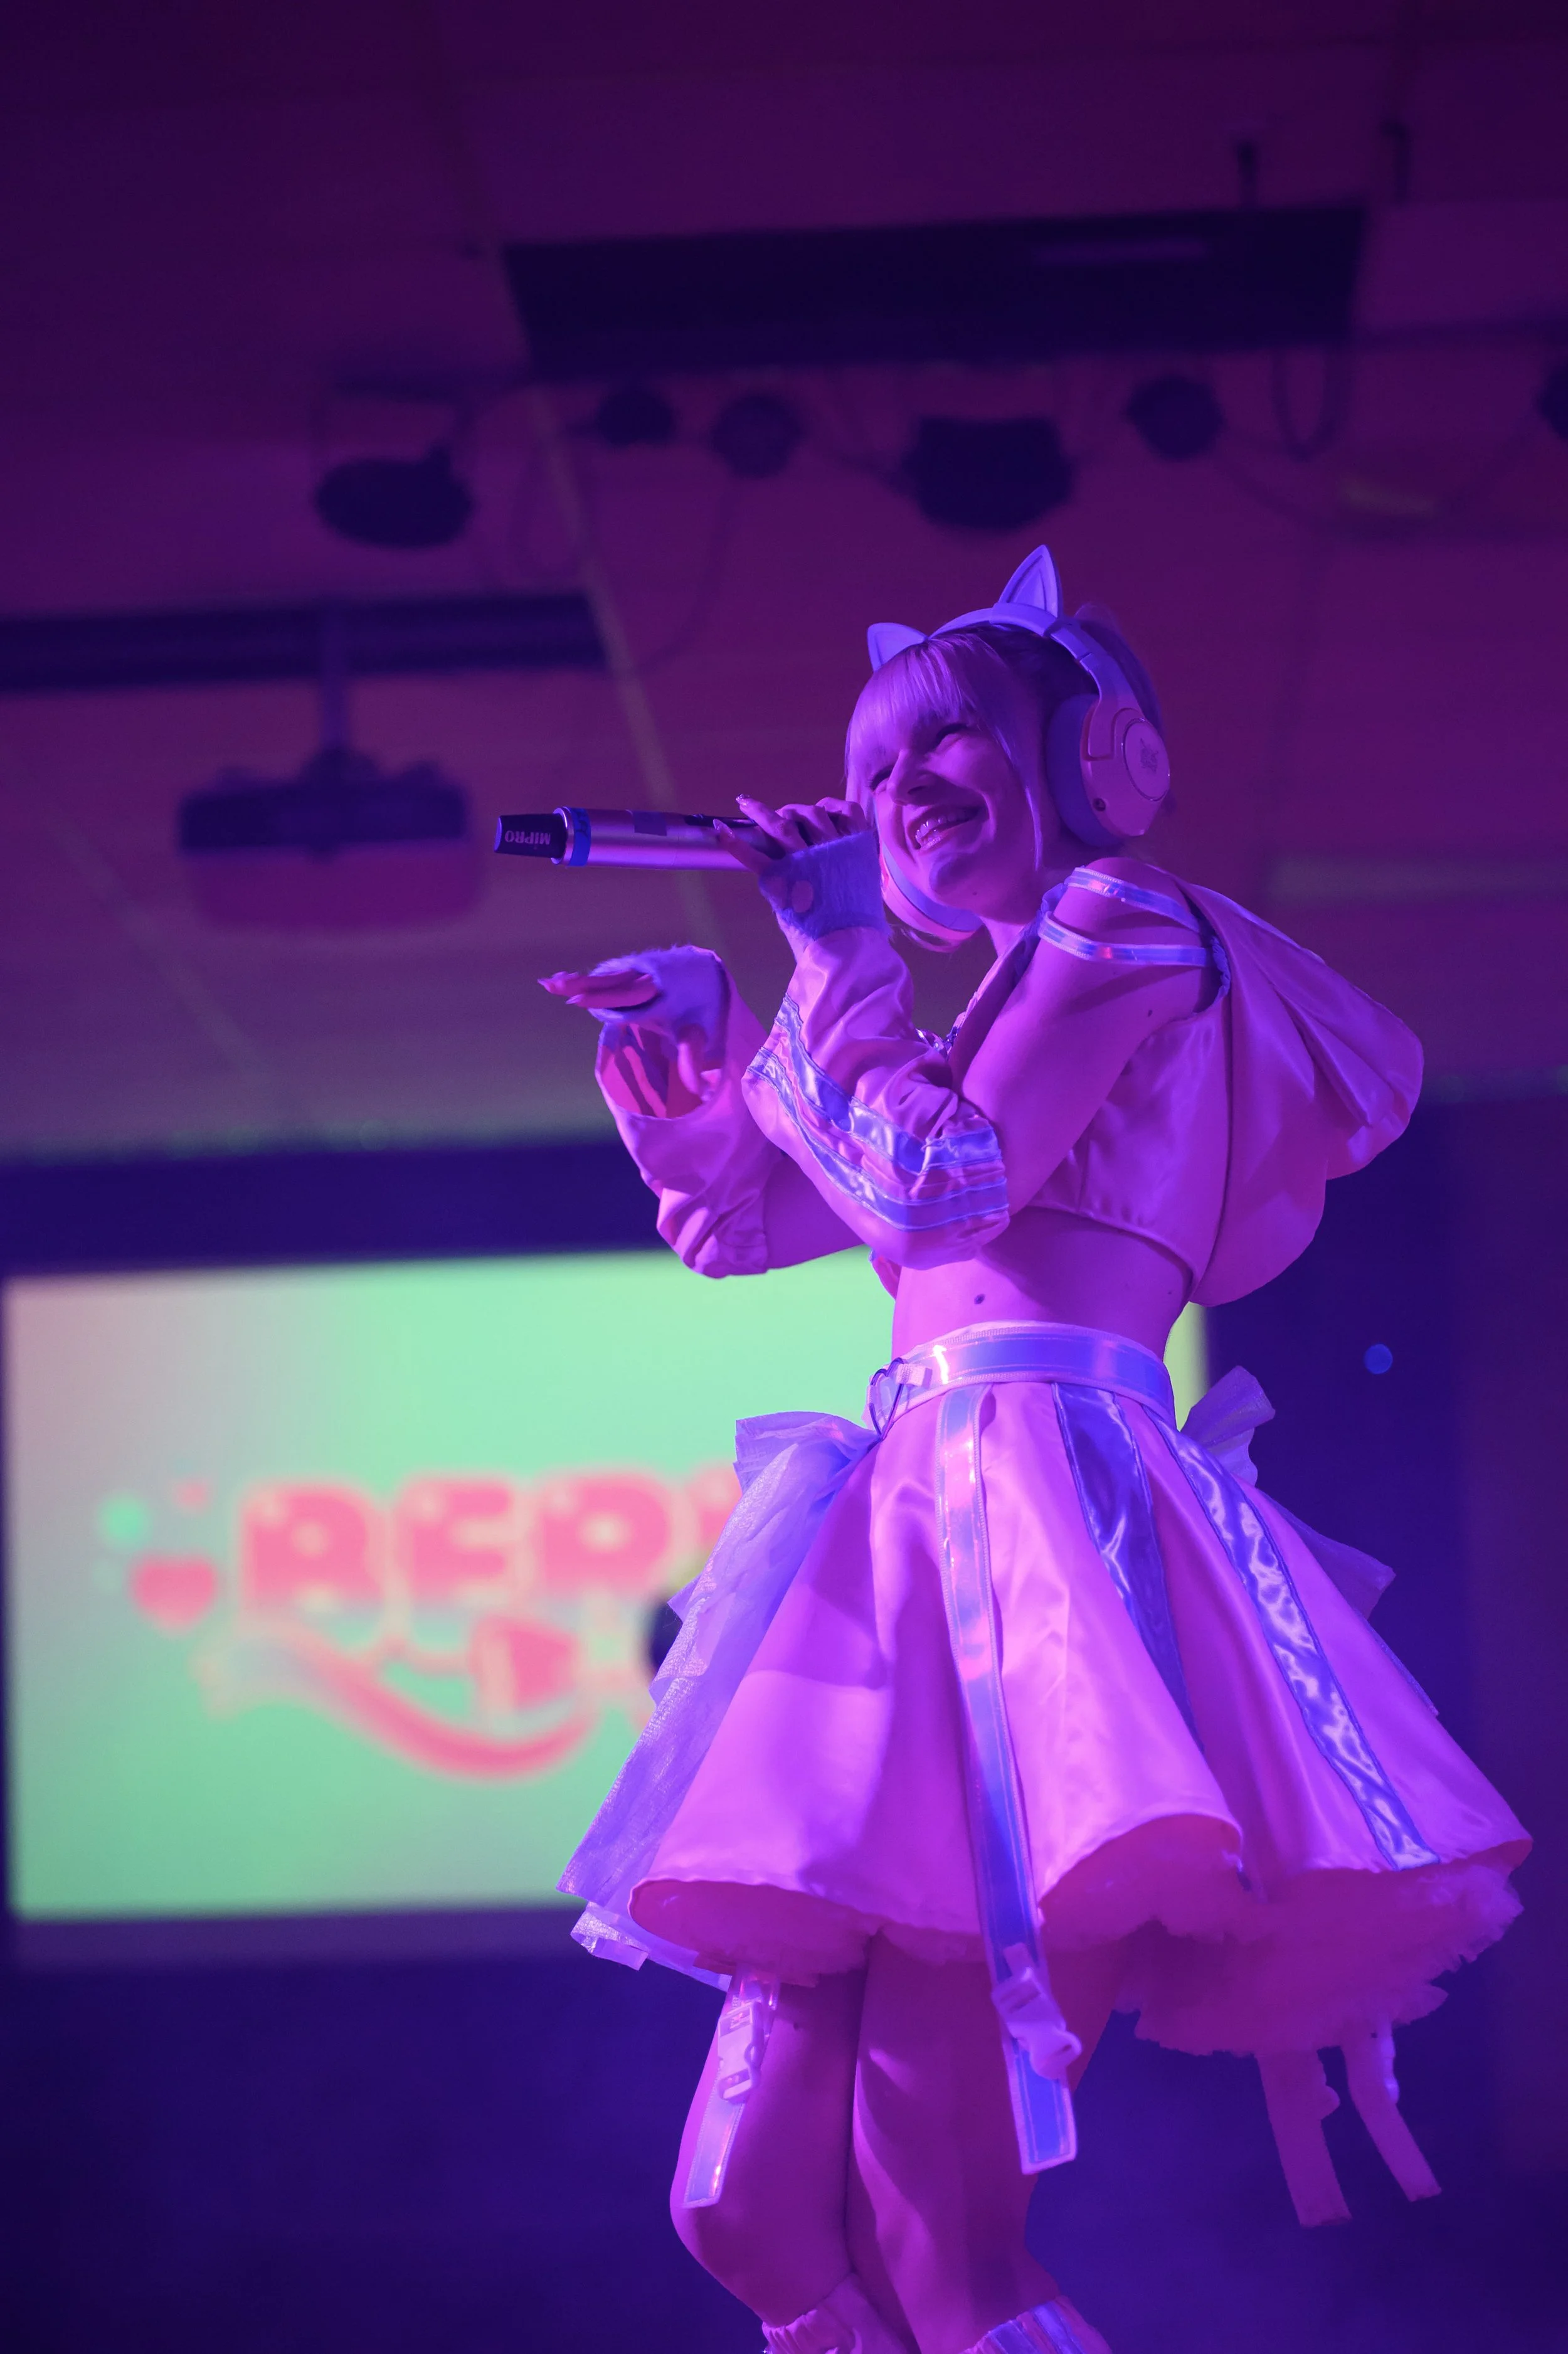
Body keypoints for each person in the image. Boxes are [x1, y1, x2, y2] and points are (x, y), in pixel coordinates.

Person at [539, 548, 1527, 2354]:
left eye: (943, 738)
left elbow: (933, 1189)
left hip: (1035, 1528)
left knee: (939, 2248)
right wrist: (712, 1034)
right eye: (866, 764)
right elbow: (756, 1221)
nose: (891, 788)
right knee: (742, 2212)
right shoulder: (979, 1012)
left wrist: (834, 951)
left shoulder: (1126, 927)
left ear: (1098, 758)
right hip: (919, 1514)